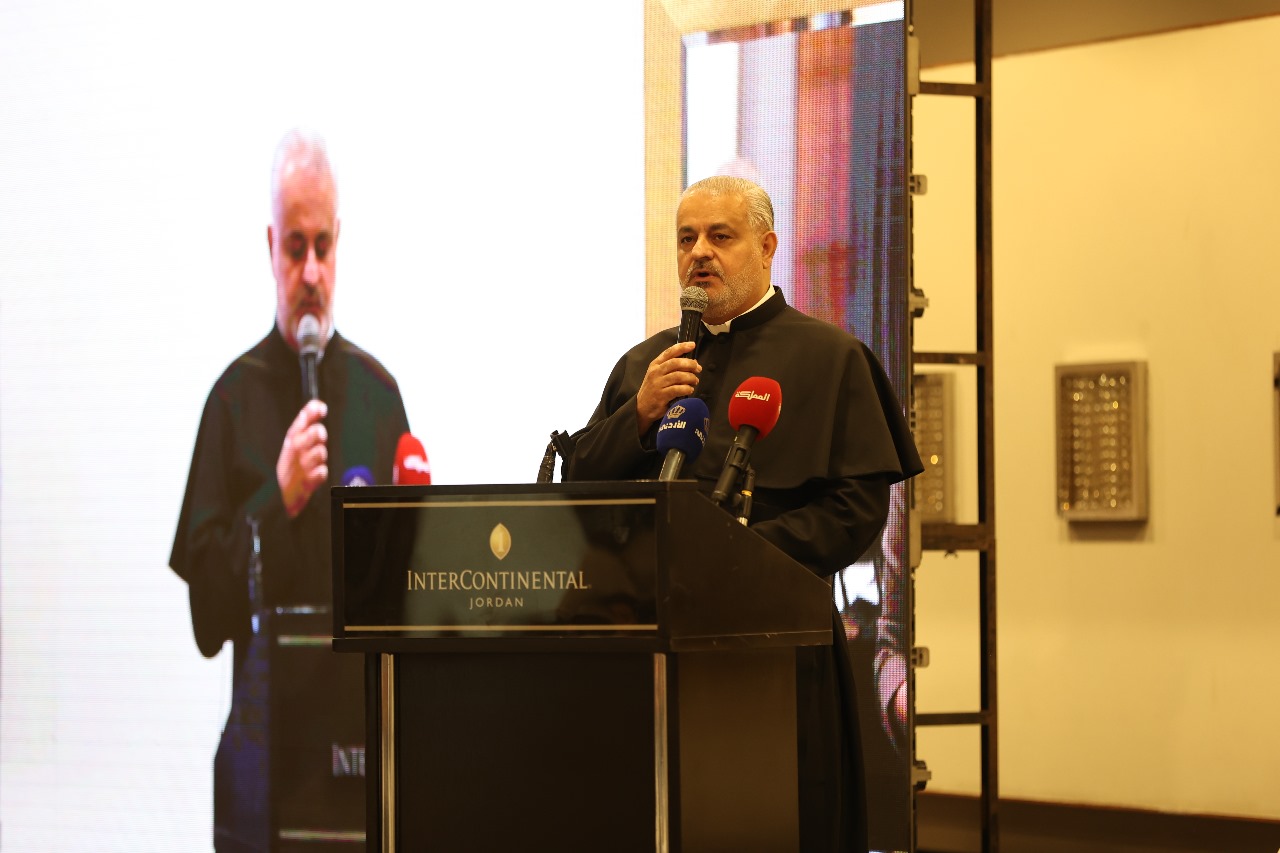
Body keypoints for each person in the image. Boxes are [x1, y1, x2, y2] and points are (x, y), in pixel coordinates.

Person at [564, 175, 922, 853]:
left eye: (719, 236)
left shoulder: (832, 358)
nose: (699, 252)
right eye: (686, 239)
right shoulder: (645, 366)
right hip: (646, 655)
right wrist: (638, 415)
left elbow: (854, 511)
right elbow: (580, 490)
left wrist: (734, 558)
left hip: (776, 647)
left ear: (766, 247)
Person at [169, 129, 410, 849]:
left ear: (340, 244)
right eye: (294, 247)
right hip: (263, 773)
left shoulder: (379, 396)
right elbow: (206, 622)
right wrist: (276, 499)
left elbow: (409, 590)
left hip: (360, 762)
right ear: (271, 246)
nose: (310, 271)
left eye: (322, 248)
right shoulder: (231, 401)